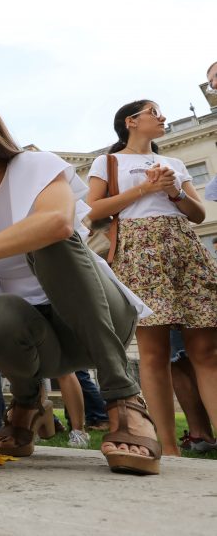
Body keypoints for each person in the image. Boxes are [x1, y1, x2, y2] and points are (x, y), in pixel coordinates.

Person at [0, 87, 158, 475]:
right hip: (39, 344)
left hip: (99, 320)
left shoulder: (35, 166)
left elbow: (56, 223)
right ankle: (27, 402)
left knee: (51, 240)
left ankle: (124, 396)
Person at [86, 99, 217, 457]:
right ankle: (169, 447)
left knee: (206, 349)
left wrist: (173, 190)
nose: (161, 117)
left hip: (183, 248)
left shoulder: (173, 163)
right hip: (138, 250)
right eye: (153, 112)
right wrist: (144, 189)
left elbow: (197, 212)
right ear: (131, 121)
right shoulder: (108, 162)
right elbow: (92, 211)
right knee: (154, 353)